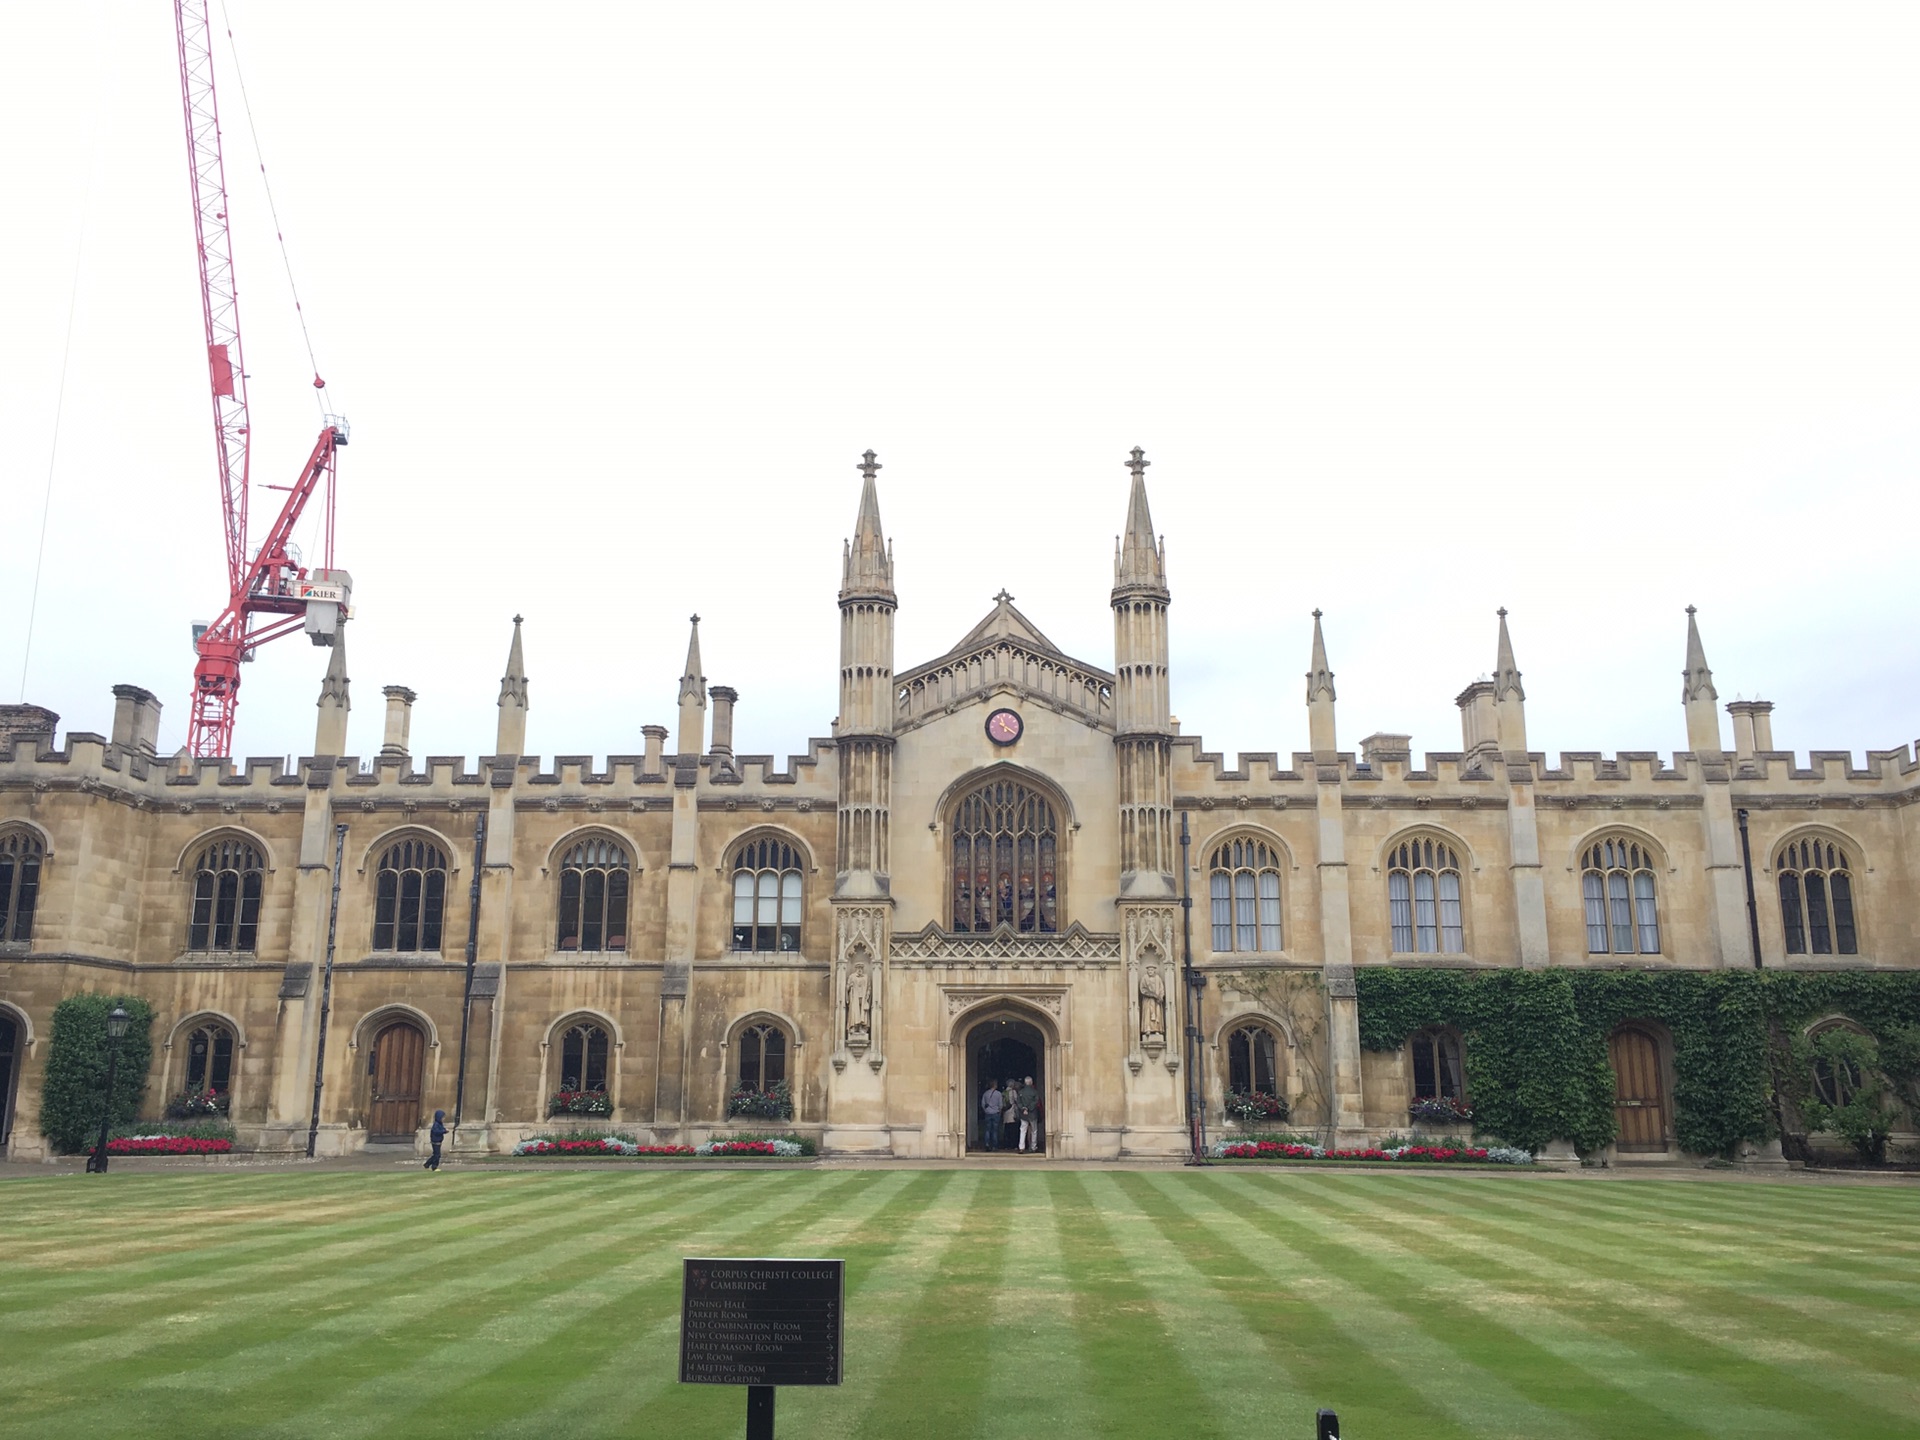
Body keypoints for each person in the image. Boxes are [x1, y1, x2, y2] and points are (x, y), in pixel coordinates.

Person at [980, 1077, 1004, 1151]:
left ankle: (987, 1144)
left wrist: (986, 1110)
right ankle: (994, 1146)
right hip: (996, 1113)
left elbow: (983, 1104)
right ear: (995, 1085)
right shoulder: (998, 1094)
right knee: (995, 1130)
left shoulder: (985, 1093)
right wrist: (999, 1110)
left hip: (988, 1113)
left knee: (987, 1129)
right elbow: (1000, 1104)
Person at [1017, 1075, 1039, 1153]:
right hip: (1032, 1114)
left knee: (1023, 1130)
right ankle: (1033, 1147)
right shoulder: (1034, 1092)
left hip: (1023, 1114)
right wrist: (1029, 1108)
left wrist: (1023, 1108)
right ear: (1031, 1082)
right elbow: (1036, 1102)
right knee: (1034, 1130)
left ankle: (1021, 1147)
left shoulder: (1021, 1092)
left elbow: (1018, 1102)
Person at [1002, 1079, 1021, 1150]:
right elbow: (1017, 1101)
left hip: (1006, 1112)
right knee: (1013, 1129)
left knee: (1007, 1129)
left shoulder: (1004, 1092)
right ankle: (1014, 1144)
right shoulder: (1013, 1092)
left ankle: (1006, 1145)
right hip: (1012, 1112)